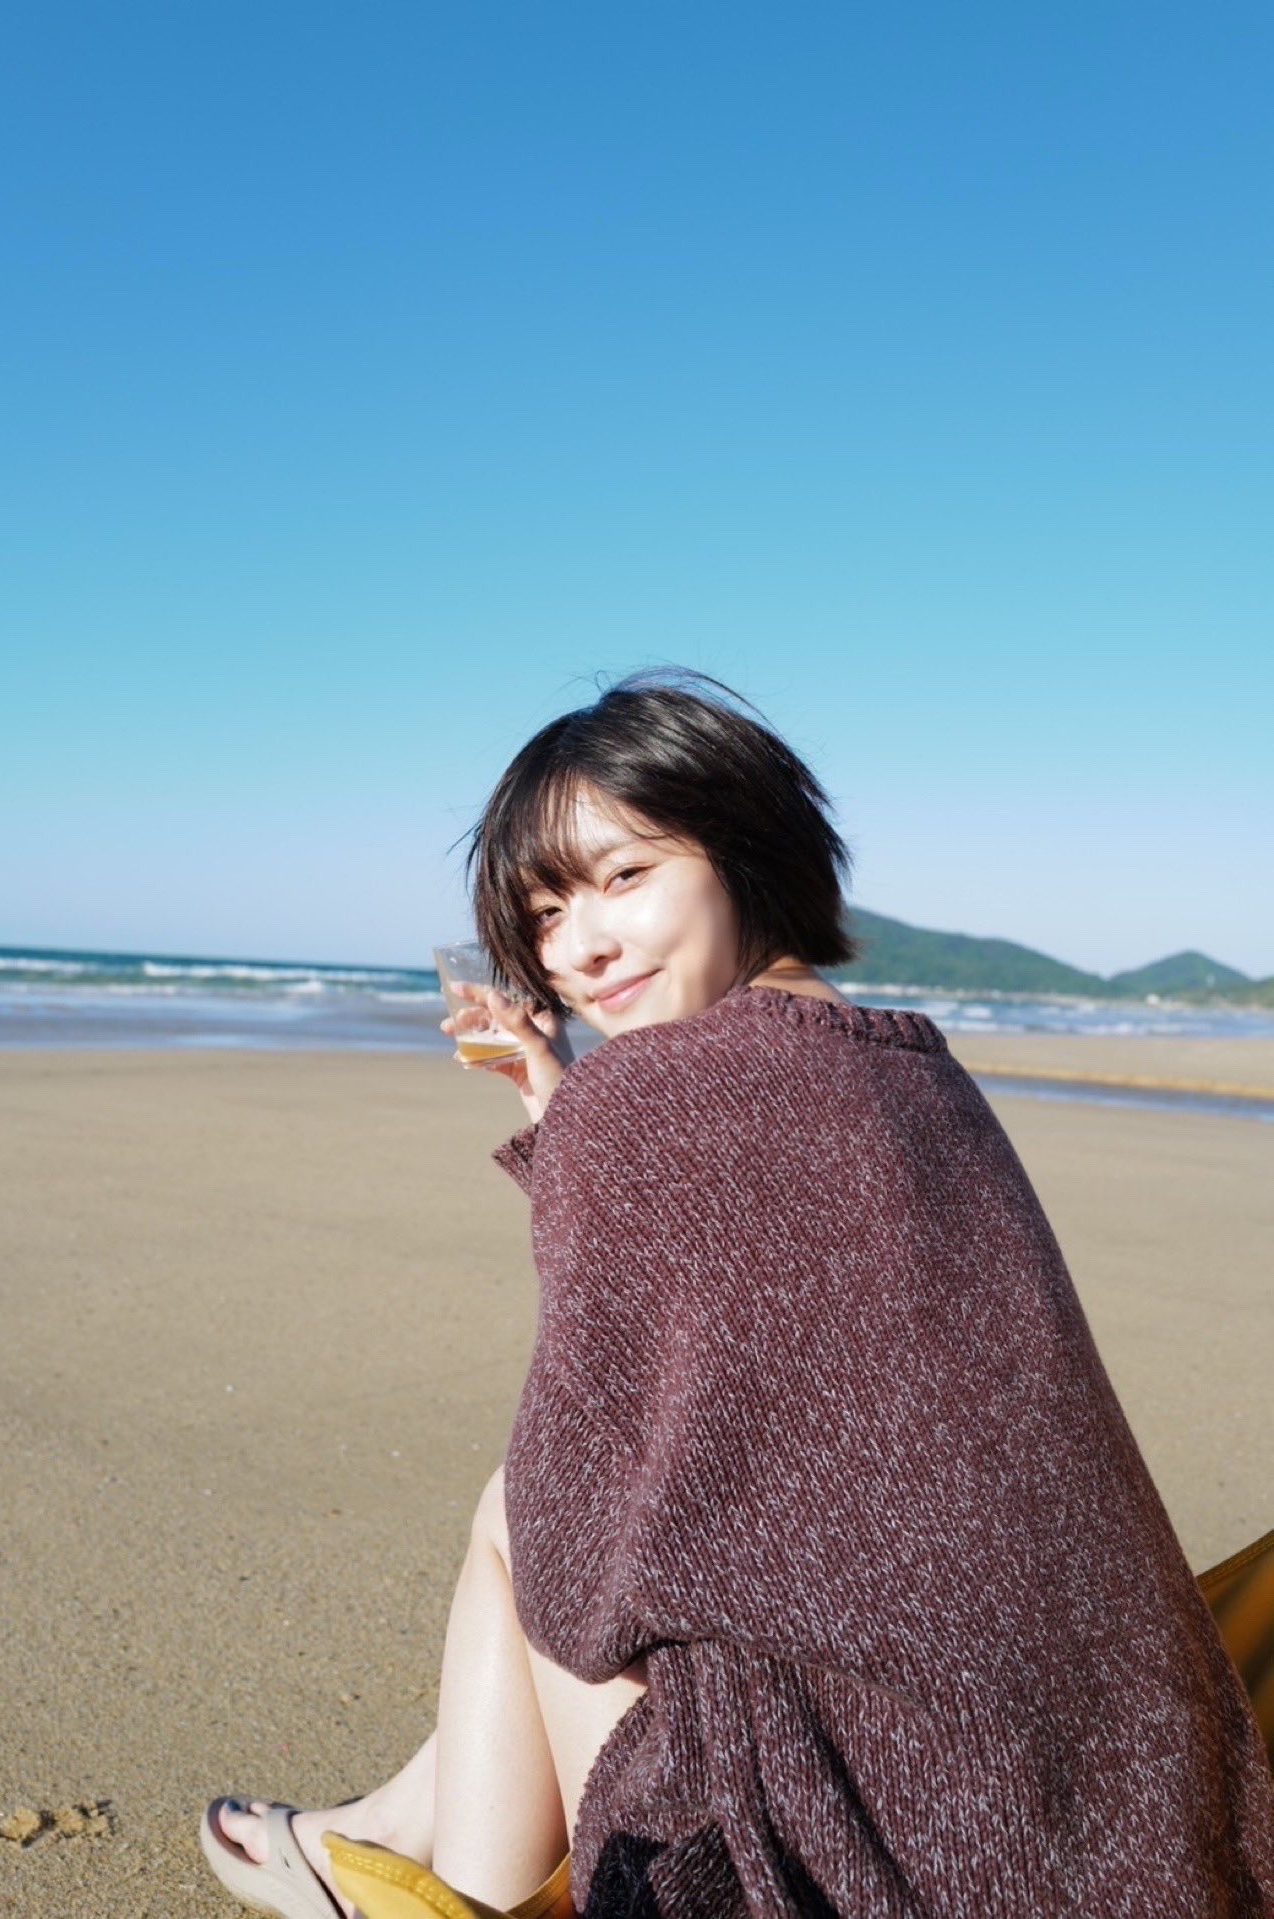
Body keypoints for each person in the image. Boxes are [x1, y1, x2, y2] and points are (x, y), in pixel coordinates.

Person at [201, 667, 1274, 1918]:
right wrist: (569, 1110)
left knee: (519, 1516)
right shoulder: (917, 1069)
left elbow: (577, 1550)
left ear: (741, 847)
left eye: (623, 875)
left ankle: (451, 1879)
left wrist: (589, 1123)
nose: (580, 946)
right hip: (1127, 1813)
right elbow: (778, 1302)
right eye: (543, 912)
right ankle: (387, 1826)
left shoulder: (644, 1099)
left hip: (867, 1857)